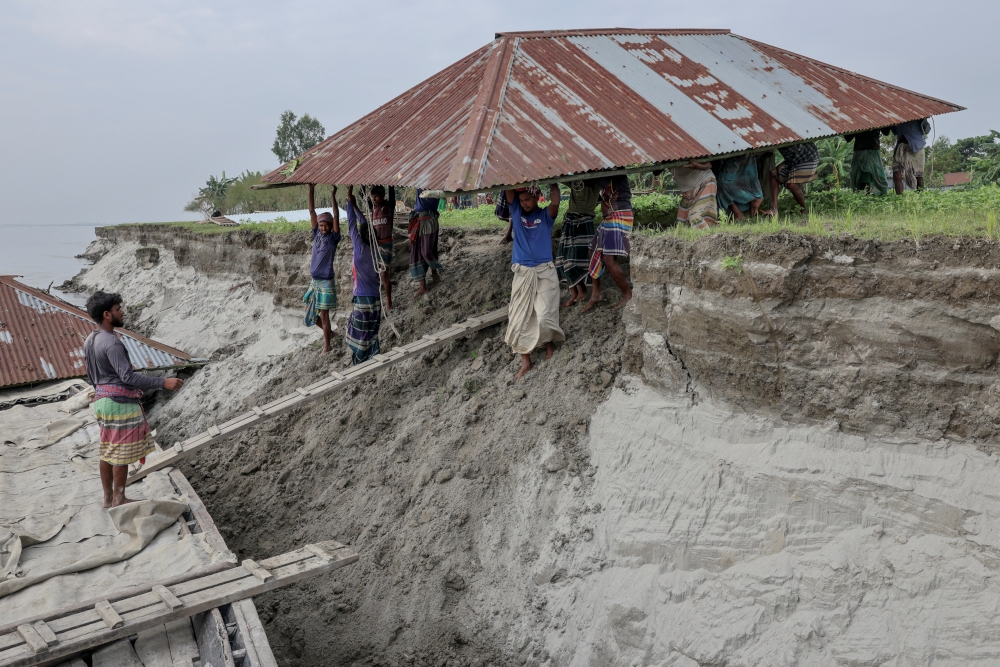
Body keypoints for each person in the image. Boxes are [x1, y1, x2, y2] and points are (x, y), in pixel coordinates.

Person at [83, 292, 183, 508]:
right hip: (119, 403)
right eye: (119, 309)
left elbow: (92, 375)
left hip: (101, 401)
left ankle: (107, 498)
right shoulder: (112, 343)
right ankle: (119, 498)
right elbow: (127, 377)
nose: (123, 312)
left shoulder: (90, 340)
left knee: (107, 450)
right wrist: (162, 383)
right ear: (107, 314)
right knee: (120, 454)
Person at [503, 184, 565, 381]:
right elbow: (508, 189)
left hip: (545, 271)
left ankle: (549, 345)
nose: (524, 204)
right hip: (523, 272)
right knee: (518, 319)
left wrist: (554, 181)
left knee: (545, 315)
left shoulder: (546, 216)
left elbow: (555, 201)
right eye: (521, 201)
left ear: (537, 197)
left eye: (527, 200)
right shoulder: (516, 212)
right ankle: (526, 362)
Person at [345, 186, 384, 364]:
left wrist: (348, 202)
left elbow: (352, 224)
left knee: (359, 334)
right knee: (371, 332)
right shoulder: (376, 250)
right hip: (376, 299)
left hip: (362, 299)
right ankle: (370, 359)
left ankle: (359, 362)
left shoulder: (359, 249)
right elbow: (363, 224)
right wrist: (354, 206)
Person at [583, 175, 634, 312]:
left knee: (609, 258)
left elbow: (591, 179)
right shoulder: (605, 170)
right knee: (593, 249)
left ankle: (628, 295)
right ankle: (596, 293)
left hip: (620, 214)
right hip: (610, 217)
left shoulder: (614, 169)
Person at [303, 184, 341, 354]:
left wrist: (333, 195)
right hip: (315, 281)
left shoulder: (333, 238)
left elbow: (337, 216)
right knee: (309, 313)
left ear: (330, 225)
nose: (323, 228)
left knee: (324, 315)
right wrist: (311, 189)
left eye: (326, 225)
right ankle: (330, 333)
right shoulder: (317, 234)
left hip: (325, 282)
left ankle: (327, 346)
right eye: (321, 225)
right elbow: (312, 211)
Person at [556, 178, 605, 307]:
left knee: (578, 259)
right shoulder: (574, 180)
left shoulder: (596, 181)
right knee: (564, 260)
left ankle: (583, 290)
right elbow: (558, 176)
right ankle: (574, 293)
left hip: (584, 221)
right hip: (569, 221)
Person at [765, 142, 819, 215]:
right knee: (773, 175)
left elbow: (798, 145)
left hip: (808, 157)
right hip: (792, 160)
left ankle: (804, 209)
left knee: (792, 184)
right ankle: (774, 209)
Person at [409, 188, 443, 297]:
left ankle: (436, 270)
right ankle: (422, 286)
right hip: (420, 219)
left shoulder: (437, 183)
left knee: (427, 251)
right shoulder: (419, 183)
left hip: (429, 220)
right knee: (417, 254)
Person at [671, 159, 718, 230]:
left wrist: (697, 166)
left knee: (695, 217)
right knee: (682, 223)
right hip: (688, 193)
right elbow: (656, 171)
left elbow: (708, 165)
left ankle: (709, 238)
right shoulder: (665, 154)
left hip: (704, 183)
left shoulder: (688, 150)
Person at [369, 185, 396, 310]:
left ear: (383, 196)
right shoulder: (372, 208)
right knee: (374, 274)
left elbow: (392, 192)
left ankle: (389, 302)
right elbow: (360, 194)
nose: (374, 199)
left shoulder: (389, 206)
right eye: (372, 197)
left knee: (384, 275)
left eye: (376, 197)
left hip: (386, 245)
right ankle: (375, 300)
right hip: (375, 245)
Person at [713, 154, 763, 220]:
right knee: (721, 179)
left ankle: (738, 212)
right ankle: (738, 212)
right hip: (732, 153)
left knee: (723, 183)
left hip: (742, 151)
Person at [846, 129, 889, 195]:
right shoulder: (857, 121)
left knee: (874, 177)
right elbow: (848, 138)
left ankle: (865, 197)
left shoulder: (877, 119)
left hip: (872, 152)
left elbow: (886, 132)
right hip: (860, 152)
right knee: (859, 178)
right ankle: (864, 197)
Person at [892, 119, 930, 194]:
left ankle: (920, 196)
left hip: (917, 148)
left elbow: (927, 130)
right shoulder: (895, 117)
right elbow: (894, 131)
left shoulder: (917, 116)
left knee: (918, 175)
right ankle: (900, 198)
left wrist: (923, 119)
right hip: (901, 148)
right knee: (897, 174)